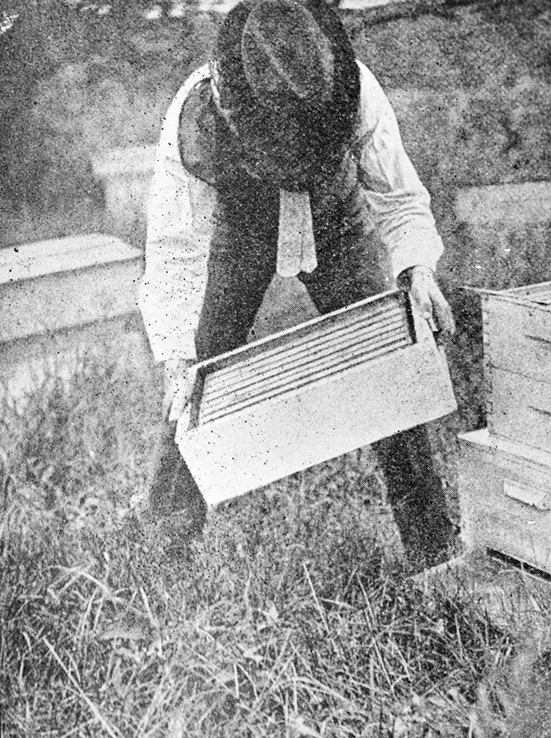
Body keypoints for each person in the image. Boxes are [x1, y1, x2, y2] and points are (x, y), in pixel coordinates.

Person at [138, 0, 457, 567]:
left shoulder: (355, 87)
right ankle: (164, 541)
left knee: (385, 356)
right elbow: (176, 246)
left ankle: (433, 548)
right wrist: (177, 356)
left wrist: (416, 269)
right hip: (241, 232)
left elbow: (399, 194)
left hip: (338, 224)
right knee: (198, 376)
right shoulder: (194, 116)